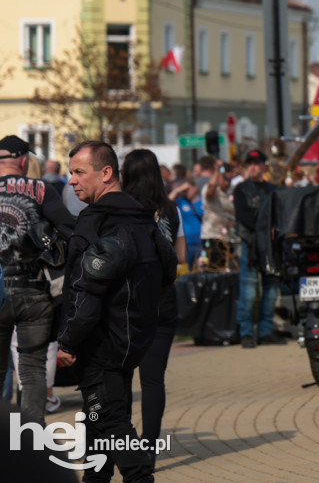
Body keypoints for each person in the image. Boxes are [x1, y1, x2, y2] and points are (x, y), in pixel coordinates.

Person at [57, 141, 176, 483]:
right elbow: (168, 269)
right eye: (70, 173)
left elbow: (85, 294)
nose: (72, 181)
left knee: (111, 422)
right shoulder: (142, 219)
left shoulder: (95, 225)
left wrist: (68, 342)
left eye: (80, 172)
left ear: (106, 173)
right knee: (98, 422)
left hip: (101, 347)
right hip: (129, 343)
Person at [0, 135, 75, 426]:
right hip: (33, 291)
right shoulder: (41, 189)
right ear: (23, 160)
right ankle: (29, 443)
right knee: (32, 370)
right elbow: (69, 229)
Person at [121, 149, 187, 467]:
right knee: (152, 380)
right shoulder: (171, 208)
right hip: (164, 300)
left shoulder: (121, 208)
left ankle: (120, 442)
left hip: (127, 303)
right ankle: (149, 448)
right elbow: (182, 255)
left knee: (119, 378)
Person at [233, 149, 282, 348]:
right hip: (251, 246)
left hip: (270, 247)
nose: (253, 167)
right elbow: (244, 217)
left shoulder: (272, 189)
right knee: (249, 290)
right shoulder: (241, 189)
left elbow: (279, 215)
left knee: (271, 290)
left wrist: (271, 229)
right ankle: (245, 332)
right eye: (250, 163)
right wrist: (266, 227)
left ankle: (265, 330)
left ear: (263, 166)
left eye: (256, 163)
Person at [200, 163, 236, 271]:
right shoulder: (211, 190)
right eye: (225, 178)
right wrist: (217, 170)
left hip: (229, 238)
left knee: (227, 272)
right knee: (212, 270)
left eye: (229, 180)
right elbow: (210, 191)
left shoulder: (232, 191)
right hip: (212, 237)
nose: (227, 182)